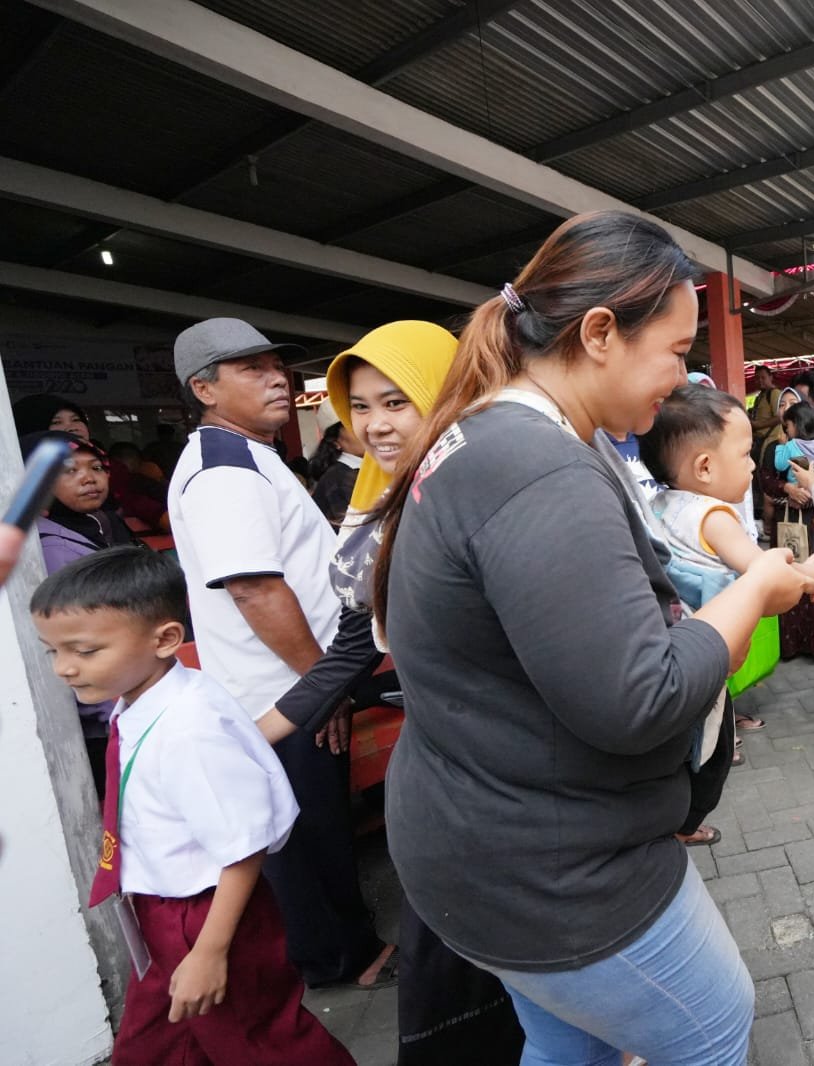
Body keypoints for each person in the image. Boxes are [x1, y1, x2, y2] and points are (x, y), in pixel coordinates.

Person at [371, 211, 814, 1065]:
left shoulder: (484, 435)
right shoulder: (538, 467)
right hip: (552, 873)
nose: (682, 377)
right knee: (713, 1028)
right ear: (601, 332)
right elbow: (640, 698)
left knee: (564, 1040)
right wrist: (756, 584)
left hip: (476, 842)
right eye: (676, 349)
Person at [249, 320, 525, 1065]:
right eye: (359, 406)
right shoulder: (375, 506)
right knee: (454, 947)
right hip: (442, 759)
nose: (374, 425)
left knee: (514, 938)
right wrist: (247, 739)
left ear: (446, 394)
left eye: (397, 402)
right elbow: (346, 650)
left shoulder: (497, 494)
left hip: (518, 763)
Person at [30, 547, 353, 1066]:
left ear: (165, 639)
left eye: (85, 651)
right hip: (162, 908)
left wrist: (209, 950)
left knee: (263, 1040)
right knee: (156, 1042)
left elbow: (243, 846)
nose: (65, 669)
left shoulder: (188, 730)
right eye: (53, 652)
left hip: (204, 914)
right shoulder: (138, 697)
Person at [166, 317, 393, 990]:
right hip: (281, 690)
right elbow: (255, 588)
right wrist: (316, 686)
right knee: (306, 833)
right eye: (251, 370)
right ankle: (338, 960)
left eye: (277, 366)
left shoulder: (249, 454)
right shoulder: (223, 469)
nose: (276, 379)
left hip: (299, 680)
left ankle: (335, 947)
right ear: (203, 389)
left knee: (319, 824)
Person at [21, 429, 138, 794]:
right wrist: (118, 718)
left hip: (135, 693)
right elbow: (83, 641)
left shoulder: (107, 524)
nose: (88, 478)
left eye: (96, 467)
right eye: (68, 470)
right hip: (111, 716)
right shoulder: (52, 548)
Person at [754, 399, 814, 662]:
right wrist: (789, 490)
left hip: (813, 521)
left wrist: (781, 447)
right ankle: (790, 645)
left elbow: (778, 465)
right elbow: (766, 479)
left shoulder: (785, 446)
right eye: (782, 403)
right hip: (790, 519)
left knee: (813, 577)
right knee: (794, 578)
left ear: (794, 424)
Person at [12, 393, 167, 528]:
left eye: (76, 419)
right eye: (56, 422)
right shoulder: (16, 488)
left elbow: (134, 498)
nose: (72, 427)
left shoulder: (114, 468)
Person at [307, 405, 364, 526]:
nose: (365, 430)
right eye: (352, 426)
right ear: (335, 441)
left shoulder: (370, 469)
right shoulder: (338, 480)